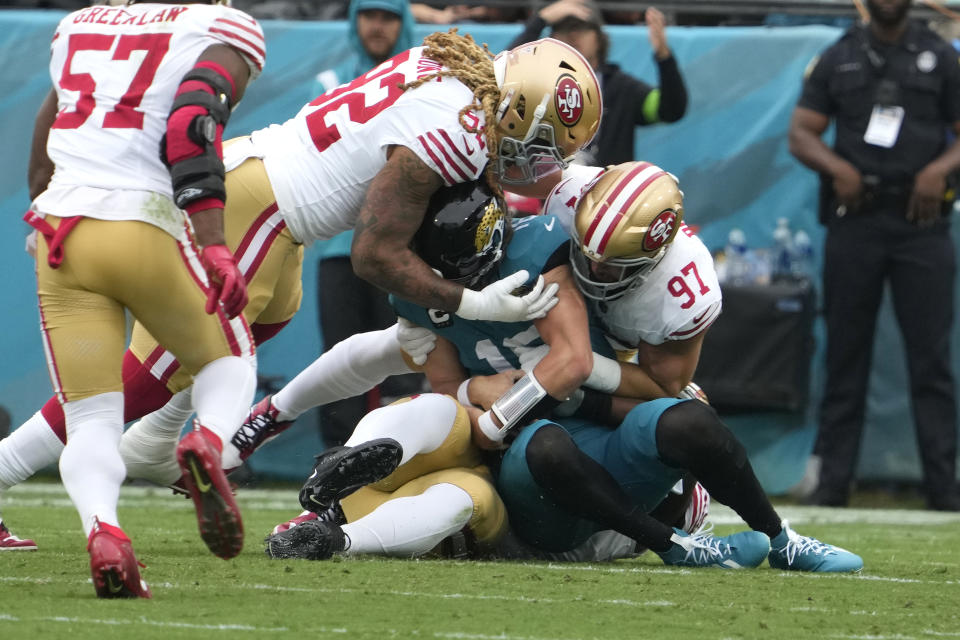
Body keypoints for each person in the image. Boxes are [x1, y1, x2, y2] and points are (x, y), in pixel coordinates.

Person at [0, 32, 601, 545]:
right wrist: (471, 302)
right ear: (519, 110)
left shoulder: (454, 65)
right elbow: (373, 255)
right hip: (260, 212)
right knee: (137, 383)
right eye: (543, 142)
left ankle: (155, 445)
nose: (540, 162)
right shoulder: (462, 130)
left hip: (268, 183)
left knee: (268, 320)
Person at [263, 168, 863, 572]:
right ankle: (329, 487)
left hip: (534, 447)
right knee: (450, 423)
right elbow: (396, 357)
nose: (589, 269)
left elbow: (595, 370)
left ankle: (331, 523)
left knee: (468, 479)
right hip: (512, 439)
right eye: (584, 256)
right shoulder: (556, 220)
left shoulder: (585, 261)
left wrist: (507, 398)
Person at [24, 0, 266, 597]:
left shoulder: (80, 21)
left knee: (90, 417)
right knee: (229, 358)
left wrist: (42, 203)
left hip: (62, 231)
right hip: (143, 223)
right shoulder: (220, 26)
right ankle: (206, 440)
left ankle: (105, 533)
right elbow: (192, 123)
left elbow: (48, 121)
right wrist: (214, 243)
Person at [788, 0, 960, 511]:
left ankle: (944, 488)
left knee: (930, 360)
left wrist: (939, 170)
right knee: (845, 355)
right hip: (855, 221)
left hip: (922, 223)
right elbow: (801, 133)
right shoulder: (838, 56)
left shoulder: (940, 57)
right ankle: (833, 483)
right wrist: (837, 167)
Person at [313, 0, 425, 447]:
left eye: (389, 15)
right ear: (354, 19)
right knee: (337, 363)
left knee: (407, 355)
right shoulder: (329, 85)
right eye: (369, 14)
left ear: (404, 22)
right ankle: (331, 468)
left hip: (404, 248)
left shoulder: (425, 84)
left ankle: (406, 458)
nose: (377, 26)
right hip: (339, 247)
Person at [508, 0, 687, 166]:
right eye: (564, 29)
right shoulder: (535, 85)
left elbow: (671, 110)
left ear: (599, 37)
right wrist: (540, 20)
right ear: (552, 39)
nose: (573, 35)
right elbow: (501, 84)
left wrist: (664, 57)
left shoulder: (622, 87)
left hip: (606, 194)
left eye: (582, 28)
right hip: (547, 193)